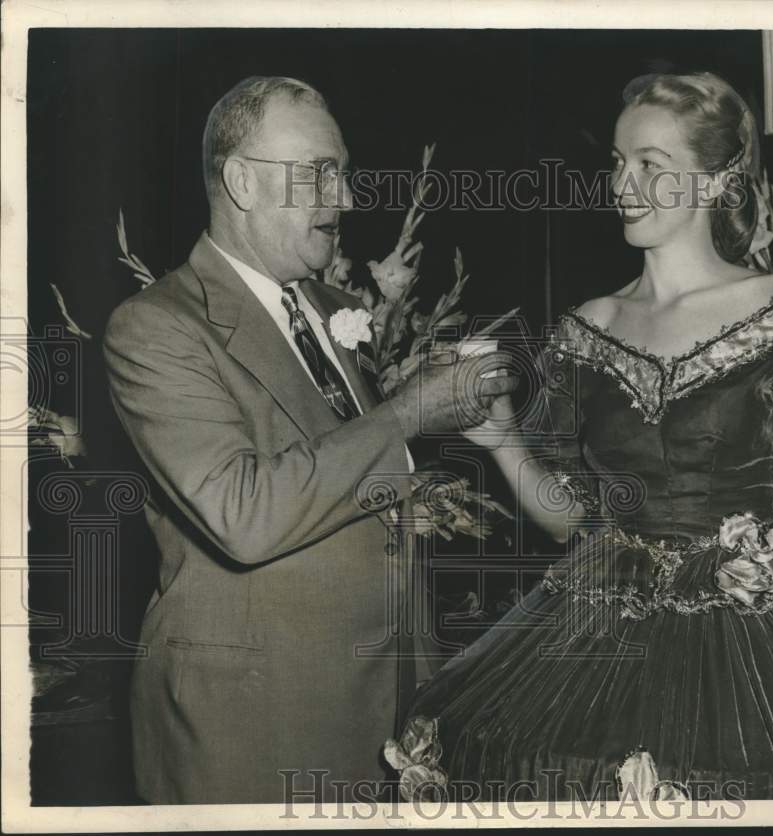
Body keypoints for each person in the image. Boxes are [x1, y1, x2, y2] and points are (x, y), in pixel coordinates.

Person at [386, 72, 773, 801]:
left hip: (761, 632)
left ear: (716, 181)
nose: (622, 183)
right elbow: (571, 519)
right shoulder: (587, 328)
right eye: (617, 160)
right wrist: (503, 442)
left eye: (650, 165)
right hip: (602, 618)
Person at [103, 76, 517, 804]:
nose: (348, 199)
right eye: (320, 173)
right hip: (251, 730)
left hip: (383, 718)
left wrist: (425, 407)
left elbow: (336, 478)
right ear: (240, 181)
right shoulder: (156, 327)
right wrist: (406, 414)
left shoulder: (334, 308)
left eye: (345, 173)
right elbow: (245, 514)